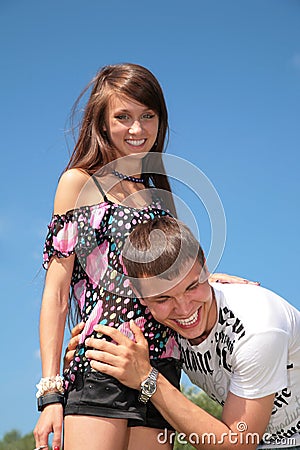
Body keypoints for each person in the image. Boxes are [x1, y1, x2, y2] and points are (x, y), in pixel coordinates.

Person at [33, 63, 246, 450]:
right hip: (103, 362)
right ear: (101, 122)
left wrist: (212, 279)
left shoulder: (156, 196)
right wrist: (50, 393)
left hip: (158, 369)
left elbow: (162, 280)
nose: (138, 129)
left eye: (148, 115)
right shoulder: (80, 183)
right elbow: (57, 291)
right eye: (123, 117)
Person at [76, 216, 300, 450]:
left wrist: (147, 378)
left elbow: (237, 444)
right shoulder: (157, 323)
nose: (184, 310)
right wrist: (85, 348)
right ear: (139, 296)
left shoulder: (258, 329)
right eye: (163, 298)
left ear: (205, 268)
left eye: (192, 286)